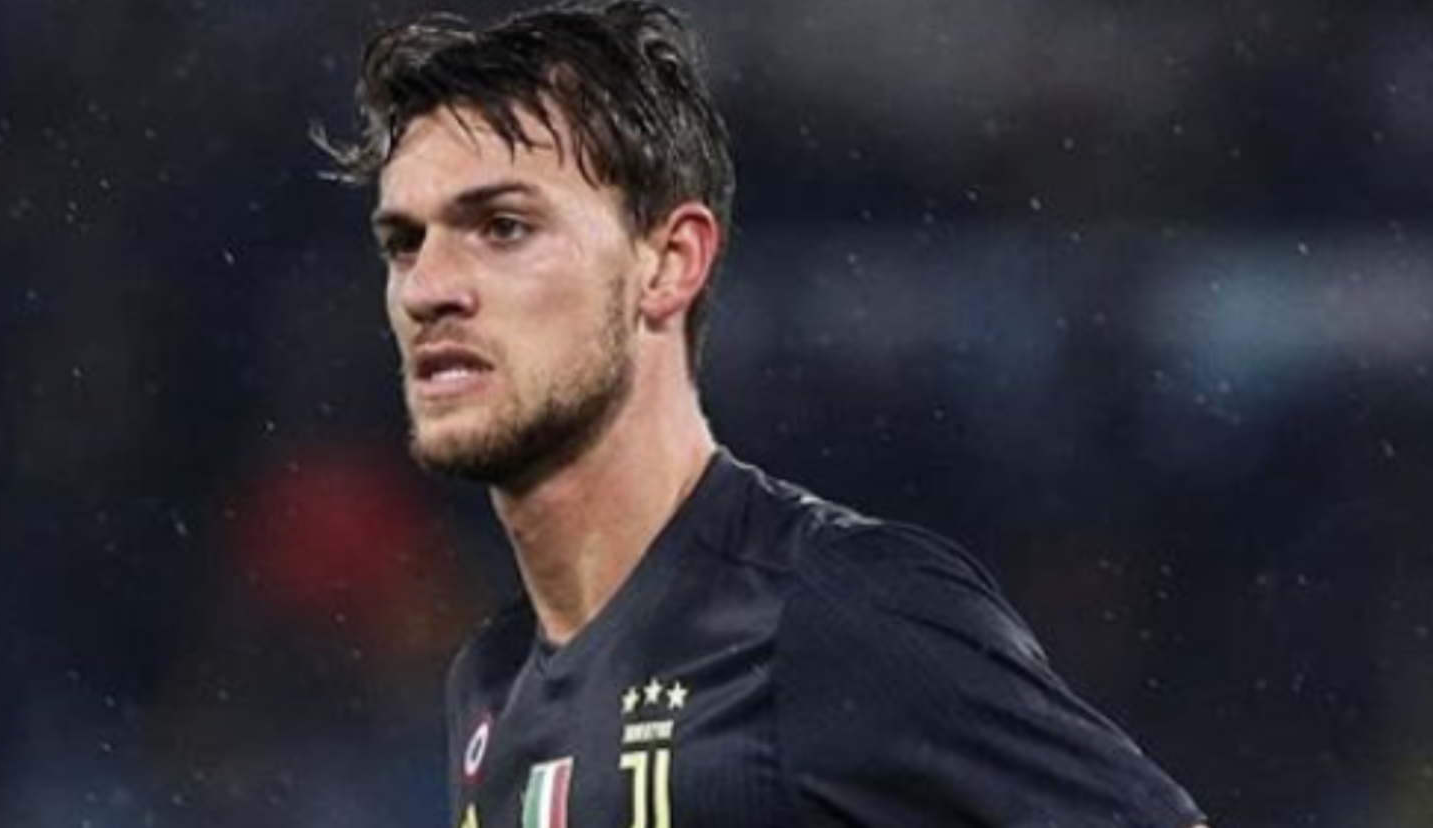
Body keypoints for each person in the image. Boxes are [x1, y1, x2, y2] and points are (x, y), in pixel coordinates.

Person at [317, 2, 1209, 826]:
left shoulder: (833, 614)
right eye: (405, 242)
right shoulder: (488, 683)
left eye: (504, 227)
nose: (427, 288)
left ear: (670, 263)